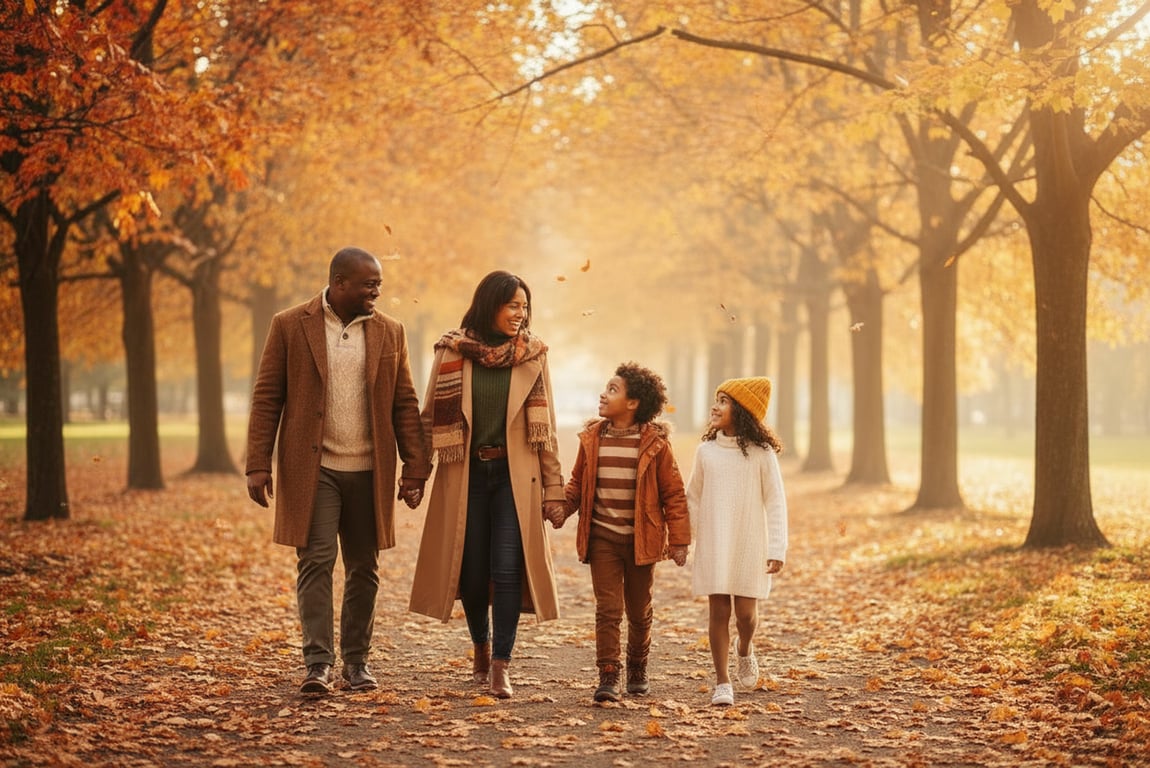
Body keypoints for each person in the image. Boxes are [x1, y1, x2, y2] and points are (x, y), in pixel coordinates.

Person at [245, 246, 431, 696]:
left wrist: (415, 467)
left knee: (365, 567)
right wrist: (257, 464)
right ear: (339, 281)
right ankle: (317, 664)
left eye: (379, 284)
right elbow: (268, 396)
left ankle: (357, 663)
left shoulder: (391, 331)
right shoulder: (290, 325)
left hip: (370, 470)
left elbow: (404, 402)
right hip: (316, 469)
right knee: (316, 560)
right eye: (369, 283)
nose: (377, 291)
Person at [408, 270, 566, 699]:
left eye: (525, 306)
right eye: (513, 305)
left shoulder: (534, 355)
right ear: (490, 304)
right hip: (467, 475)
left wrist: (555, 490)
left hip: (516, 480)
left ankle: (501, 665)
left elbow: (545, 428)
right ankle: (480, 644)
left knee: (507, 569)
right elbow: (429, 418)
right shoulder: (451, 352)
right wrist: (416, 474)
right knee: (473, 572)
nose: (521, 314)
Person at [548, 362, 691, 703]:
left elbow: (673, 493)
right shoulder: (592, 439)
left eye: (613, 389)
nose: (603, 393)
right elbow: (578, 484)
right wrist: (562, 510)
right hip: (603, 539)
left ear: (633, 403)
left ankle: (637, 665)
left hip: (643, 539)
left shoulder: (655, 444)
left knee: (639, 610)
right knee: (608, 608)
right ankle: (608, 674)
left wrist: (680, 540)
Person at [686, 377, 788, 707]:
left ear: (741, 410)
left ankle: (744, 648)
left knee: (745, 614)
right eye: (716, 399)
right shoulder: (707, 452)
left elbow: (775, 501)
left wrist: (777, 547)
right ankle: (722, 682)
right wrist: (683, 539)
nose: (715, 406)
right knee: (718, 610)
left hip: (750, 542)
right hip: (715, 541)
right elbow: (693, 498)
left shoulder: (762, 454)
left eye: (724, 401)